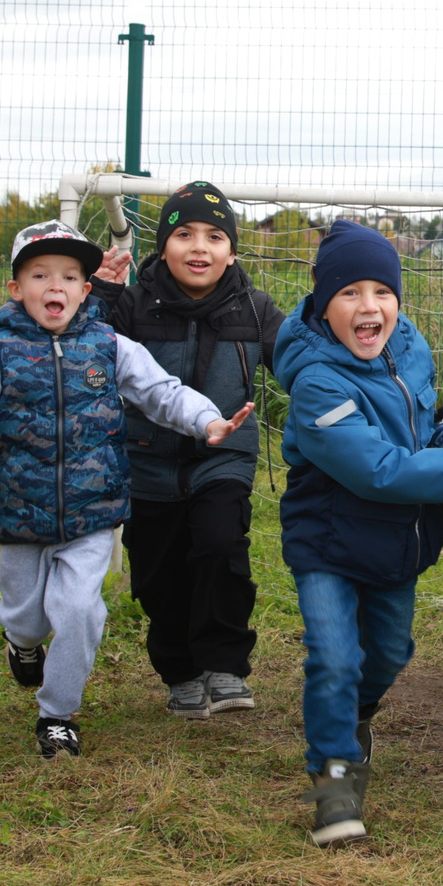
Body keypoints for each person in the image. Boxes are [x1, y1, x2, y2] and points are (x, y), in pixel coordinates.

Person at [0, 221, 251, 759]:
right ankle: (21, 645)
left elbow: (163, 392)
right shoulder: (0, 354)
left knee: (79, 610)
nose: (55, 286)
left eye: (69, 275)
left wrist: (206, 421)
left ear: (86, 289)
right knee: (26, 616)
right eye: (40, 275)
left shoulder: (111, 347)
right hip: (22, 515)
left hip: (93, 515)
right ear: (16, 289)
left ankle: (57, 715)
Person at [274, 219, 443, 847]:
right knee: (335, 659)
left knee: (390, 654)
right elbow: (374, 467)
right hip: (327, 544)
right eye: (349, 293)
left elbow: (419, 429)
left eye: (382, 291)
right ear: (321, 300)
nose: (369, 306)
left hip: (394, 543)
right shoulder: (317, 381)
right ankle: (334, 782)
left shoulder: (410, 348)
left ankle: (353, 718)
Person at [90, 182, 282, 720]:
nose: (200, 246)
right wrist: (101, 296)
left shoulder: (256, 308)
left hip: (224, 456)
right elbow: (85, 349)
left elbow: (298, 363)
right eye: (184, 234)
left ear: (233, 251)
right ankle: (180, 670)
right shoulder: (131, 305)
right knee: (159, 571)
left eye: (214, 236)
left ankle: (224, 664)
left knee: (220, 544)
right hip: (146, 458)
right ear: (162, 245)